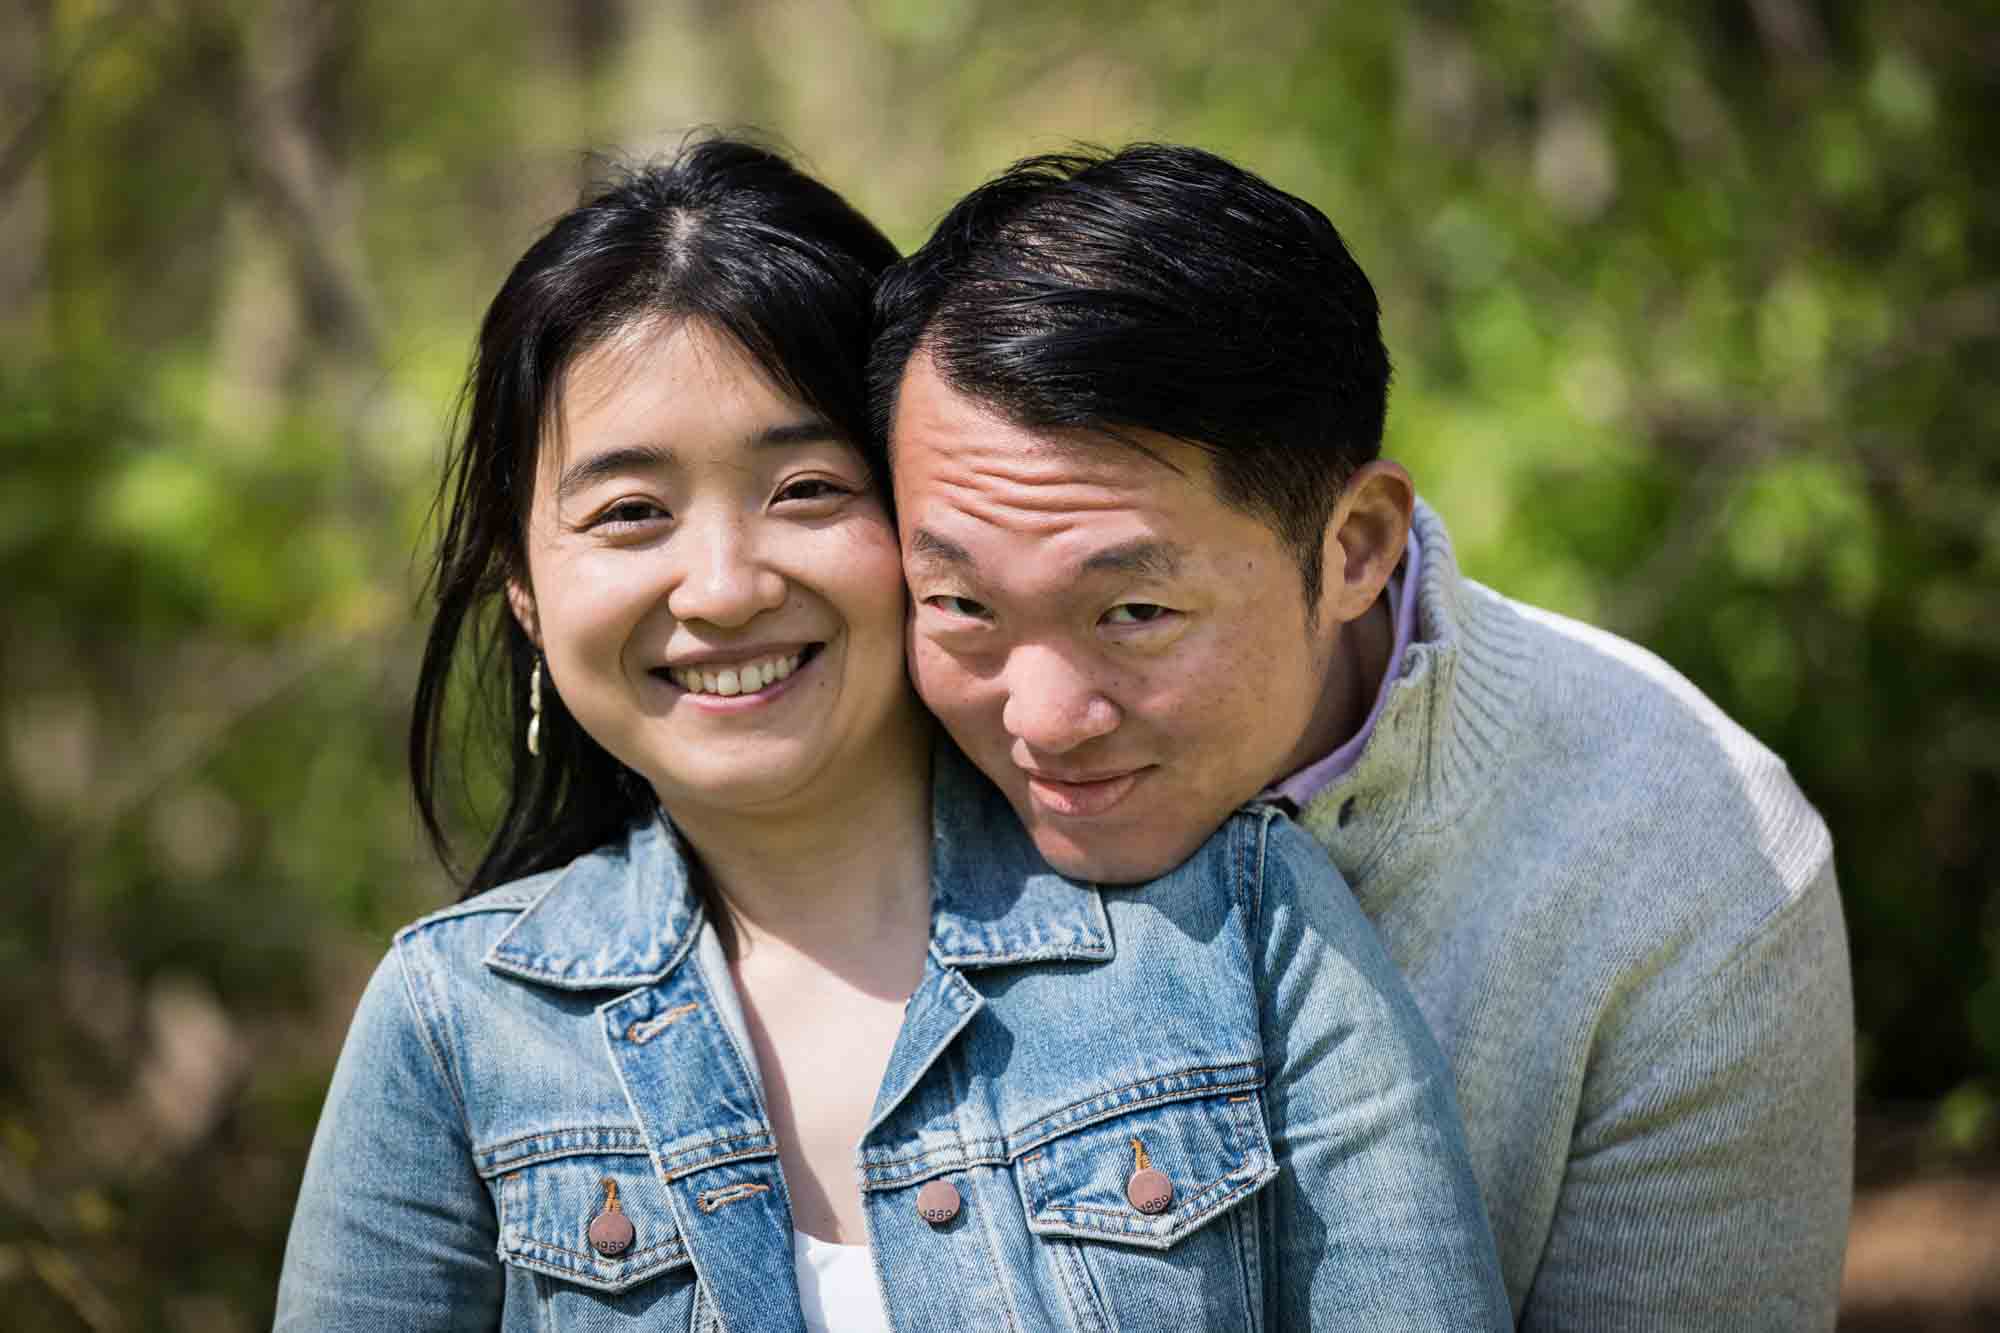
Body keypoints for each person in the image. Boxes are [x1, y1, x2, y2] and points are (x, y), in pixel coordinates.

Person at [274, 137, 1509, 1331]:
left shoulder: (1242, 928)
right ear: (527, 596)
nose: (720, 585)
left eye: (805, 490)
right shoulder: (454, 1026)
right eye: (630, 511)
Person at [871, 142, 1856, 1331]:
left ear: (1352, 547)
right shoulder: (853, 761)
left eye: (1131, 612)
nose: (1035, 719)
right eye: (964, 605)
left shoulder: (1692, 863)